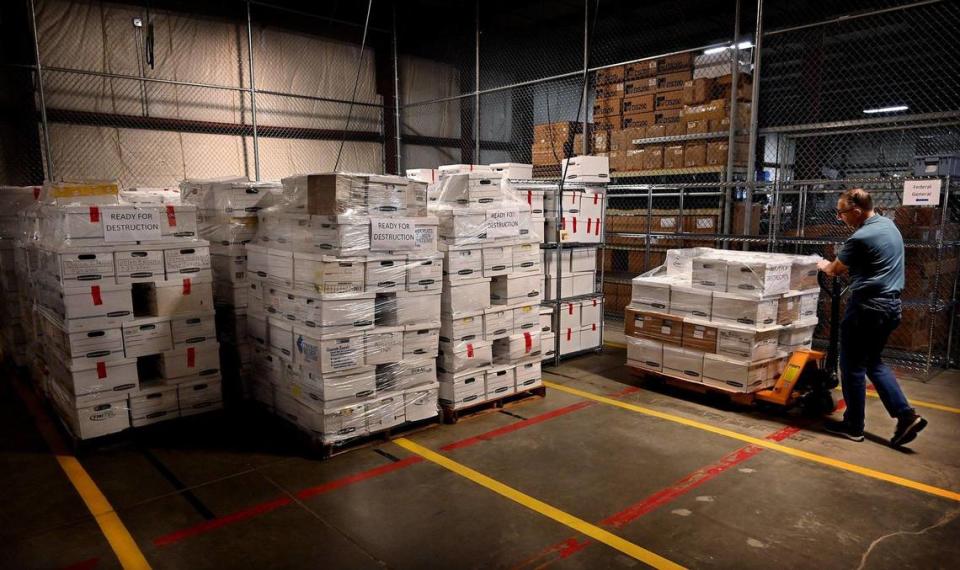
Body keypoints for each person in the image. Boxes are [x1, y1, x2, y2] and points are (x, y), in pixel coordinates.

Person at [817, 188, 927, 447]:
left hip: (867, 308)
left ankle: (854, 426)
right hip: (890, 308)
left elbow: (834, 269)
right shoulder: (888, 225)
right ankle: (906, 415)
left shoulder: (862, 236)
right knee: (873, 362)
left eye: (842, 213)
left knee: (852, 365)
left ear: (856, 211)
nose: (840, 218)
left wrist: (822, 265)